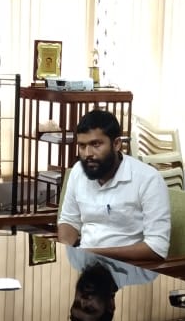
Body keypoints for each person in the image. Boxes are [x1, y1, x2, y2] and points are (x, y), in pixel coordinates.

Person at [56, 110, 171, 263]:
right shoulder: (78, 171)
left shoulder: (148, 179)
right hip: (85, 263)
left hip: (128, 267)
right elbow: (69, 221)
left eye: (96, 144)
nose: (87, 153)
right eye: (82, 146)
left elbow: (157, 248)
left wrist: (94, 253)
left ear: (117, 144)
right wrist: (66, 254)